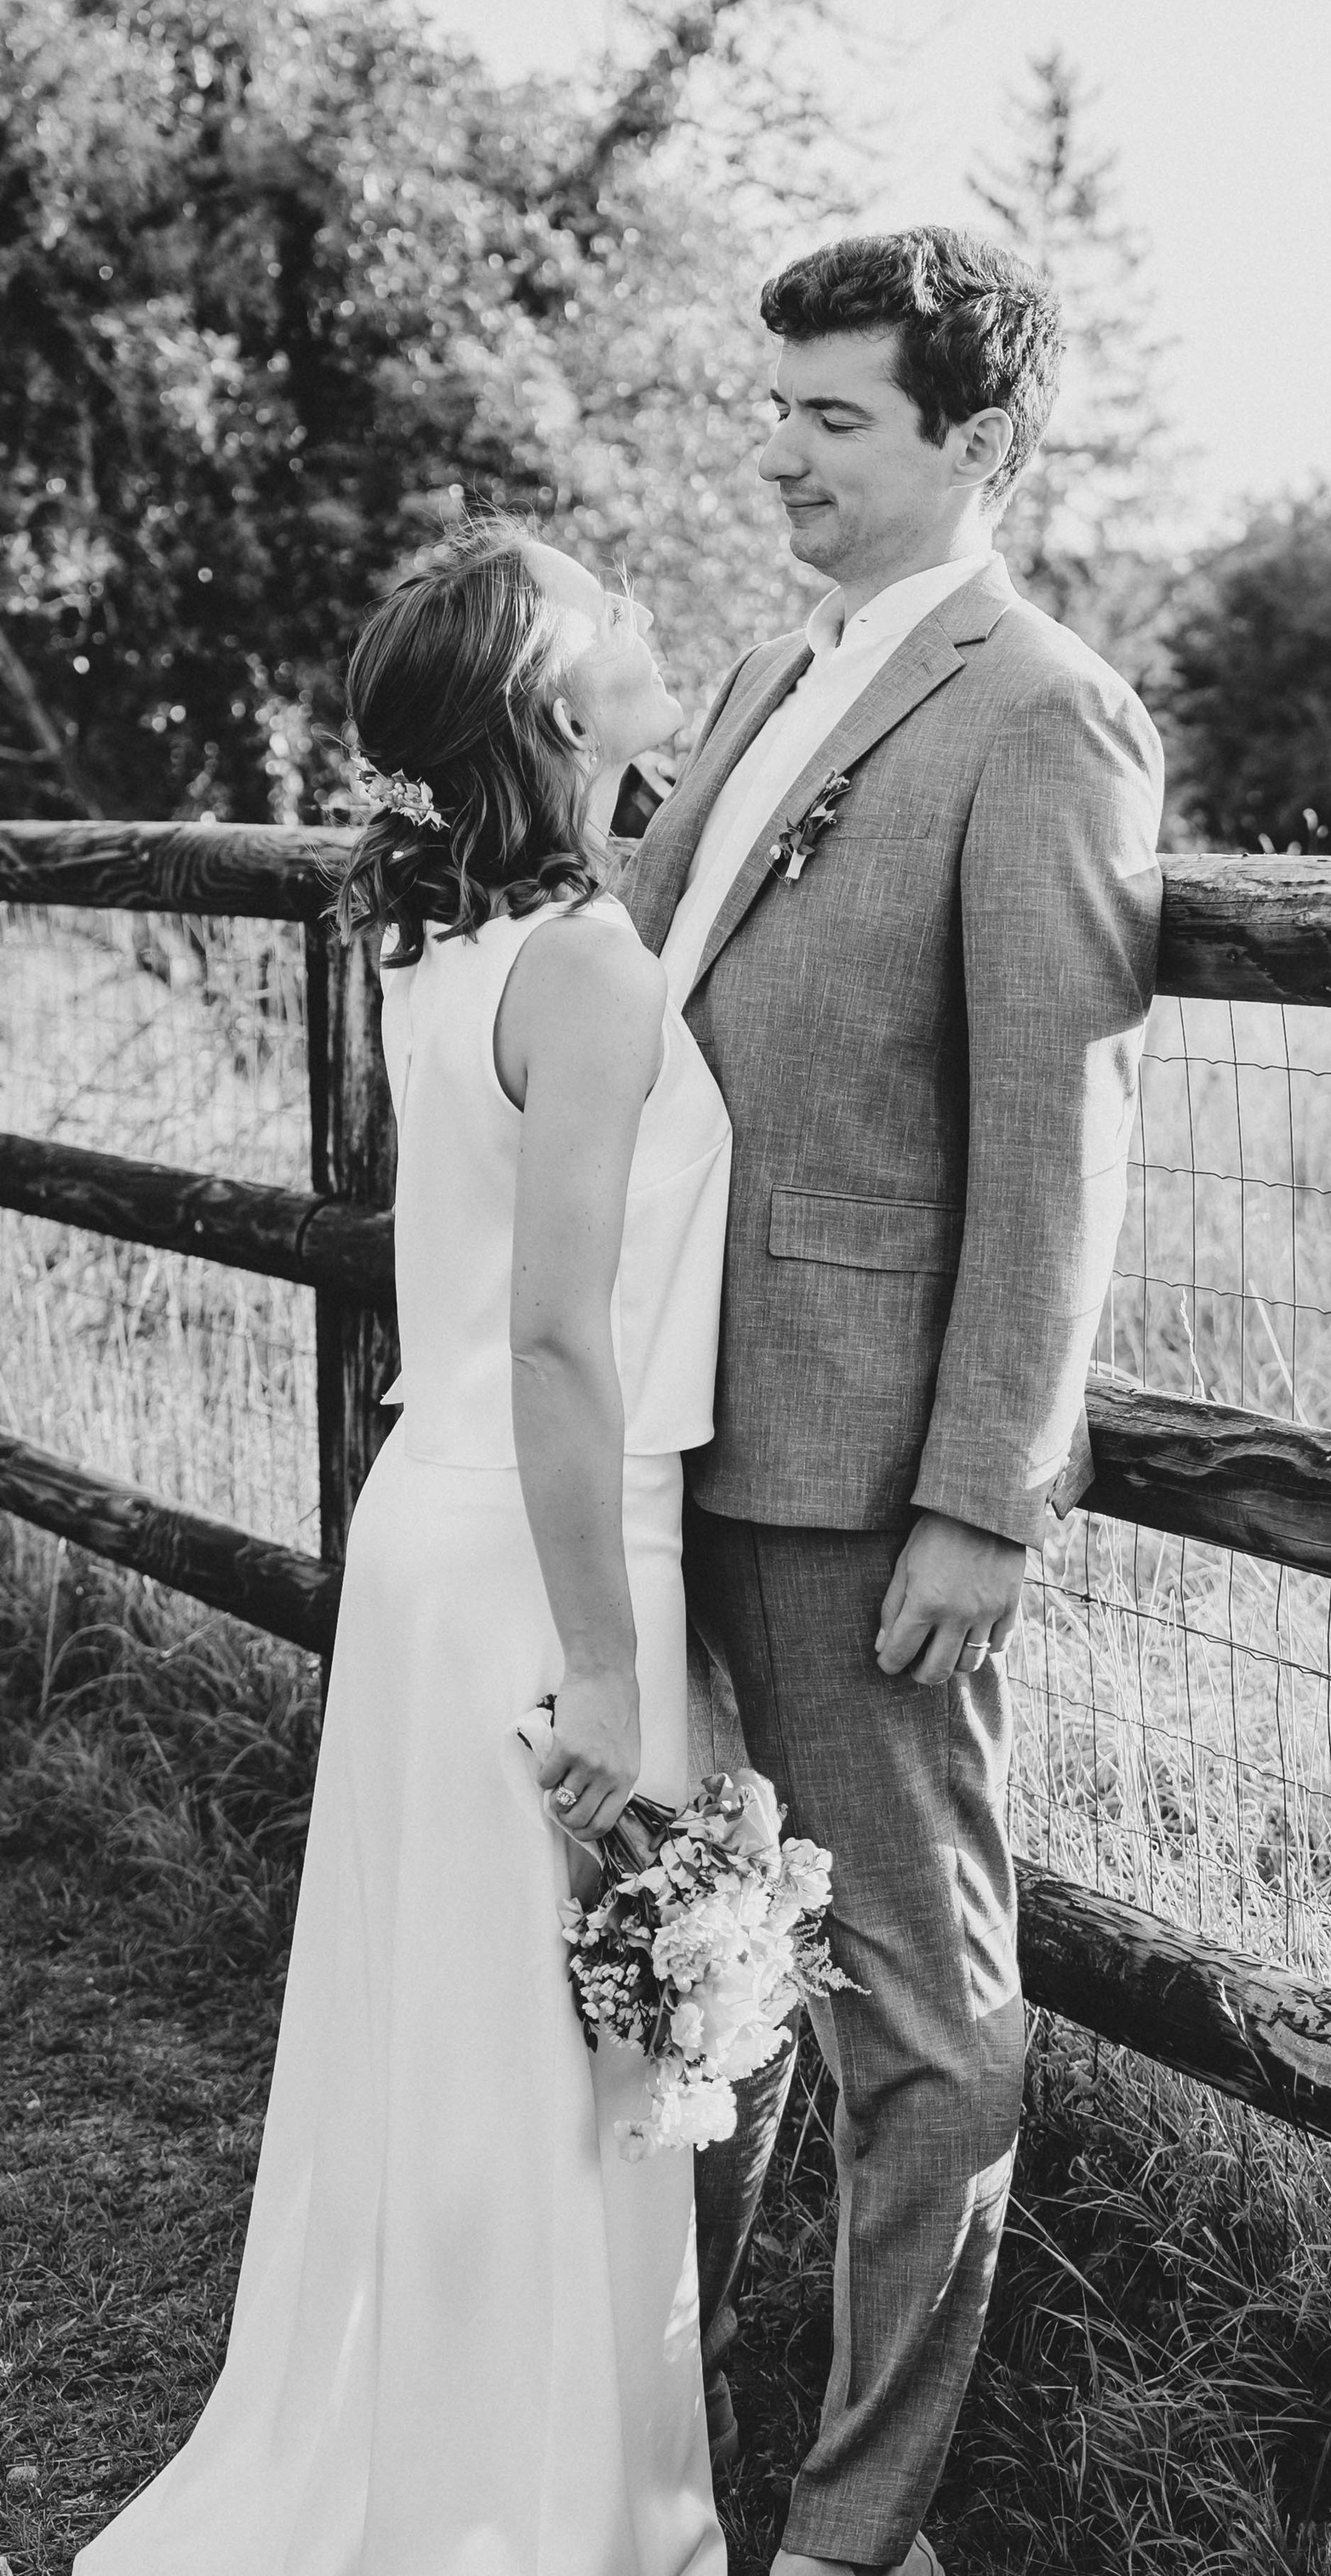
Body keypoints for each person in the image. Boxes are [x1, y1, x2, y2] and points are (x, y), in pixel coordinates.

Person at [78, 529, 734, 2576]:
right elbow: (558, 1339)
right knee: (538, 2056)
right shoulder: (591, 965)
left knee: (453, 2039)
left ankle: (467, 2472)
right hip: (547, 1542)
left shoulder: (447, 932)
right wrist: (616, 1672)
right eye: (624, 633)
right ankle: (533, 2518)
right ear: (555, 708)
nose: (655, 644)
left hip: (432, 1519)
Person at [629, 226, 1165, 2576]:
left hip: (865, 1474)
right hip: (672, 1427)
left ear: (978, 441)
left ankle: (854, 2533)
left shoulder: (1043, 708)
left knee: (926, 2029)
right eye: (776, 411)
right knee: (687, 1948)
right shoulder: (770, 668)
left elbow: (1064, 1126)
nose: (783, 456)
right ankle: (671, 2441)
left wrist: (988, 1497)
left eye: (836, 419)